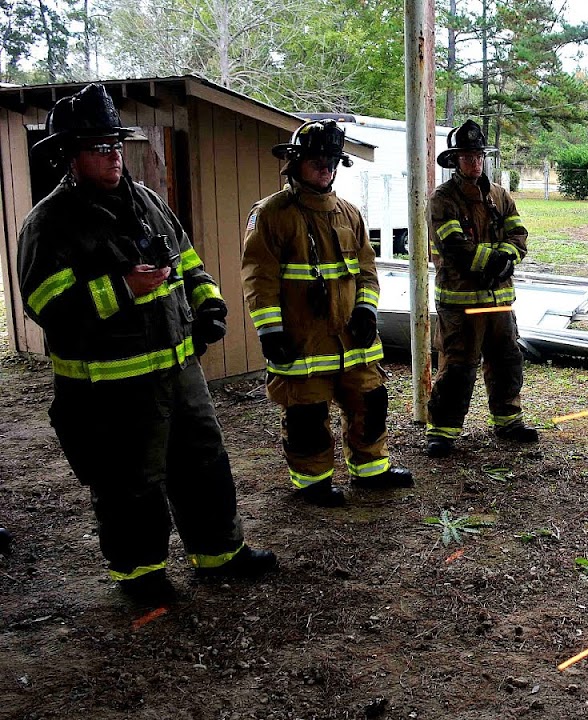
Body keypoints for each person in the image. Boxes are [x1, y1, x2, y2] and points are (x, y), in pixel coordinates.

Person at [17, 83, 276, 606]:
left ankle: (219, 554)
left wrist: (208, 308)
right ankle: (142, 576)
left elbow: (187, 263)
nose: (112, 156)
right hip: (112, 386)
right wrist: (121, 289)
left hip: (180, 372)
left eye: (115, 144)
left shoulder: (148, 203)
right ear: (71, 156)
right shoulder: (50, 223)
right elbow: (45, 304)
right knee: (130, 481)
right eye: (97, 147)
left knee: (203, 461)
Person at [242, 119, 414, 507]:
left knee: (370, 403)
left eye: (332, 159)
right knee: (307, 415)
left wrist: (367, 310)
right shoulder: (272, 215)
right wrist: (270, 331)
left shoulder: (350, 214)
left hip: (353, 341)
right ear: (295, 163)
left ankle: (371, 470)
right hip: (303, 341)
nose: (325, 167)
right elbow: (259, 277)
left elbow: (367, 271)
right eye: (317, 159)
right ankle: (312, 482)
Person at [425, 119, 536, 457]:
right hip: (460, 304)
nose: (474, 162)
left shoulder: (500, 196)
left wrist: (507, 255)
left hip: (499, 300)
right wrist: (494, 260)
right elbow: (454, 247)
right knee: (458, 365)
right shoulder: (443, 200)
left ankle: (508, 419)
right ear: (454, 161)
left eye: (478, 156)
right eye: (467, 156)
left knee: (506, 360)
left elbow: (518, 235)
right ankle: (442, 431)